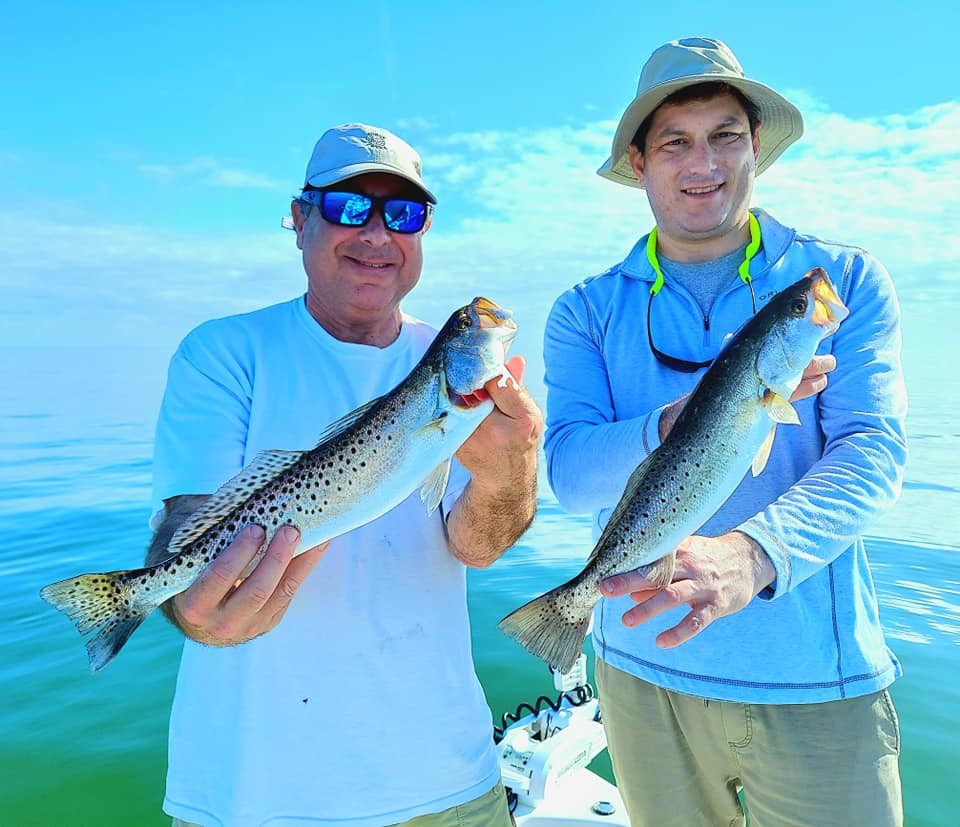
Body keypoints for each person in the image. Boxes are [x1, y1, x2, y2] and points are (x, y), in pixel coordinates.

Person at [543, 38, 907, 826]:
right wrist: (670, 424)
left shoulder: (837, 282)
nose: (702, 162)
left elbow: (873, 454)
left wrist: (755, 553)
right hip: (640, 676)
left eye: (725, 136)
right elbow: (570, 475)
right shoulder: (585, 310)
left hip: (816, 679)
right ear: (638, 162)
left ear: (756, 149)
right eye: (675, 140)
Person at [146, 123, 542, 827]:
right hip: (250, 794)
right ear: (299, 220)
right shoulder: (223, 351)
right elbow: (189, 520)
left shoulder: (452, 381)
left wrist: (509, 473)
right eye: (348, 207)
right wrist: (187, 602)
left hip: (447, 780)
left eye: (405, 214)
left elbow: (478, 546)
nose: (376, 233)